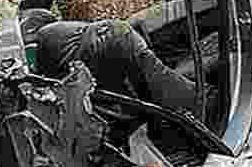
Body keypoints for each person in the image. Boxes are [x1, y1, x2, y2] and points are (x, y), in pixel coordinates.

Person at [19, 9, 201, 114]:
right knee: (150, 89)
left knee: (159, 90)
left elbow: (46, 81)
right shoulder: (52, 33)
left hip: (111, 45)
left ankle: (202, 105)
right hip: (117, 37)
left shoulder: (43, 43)